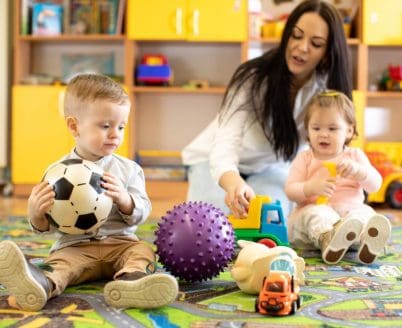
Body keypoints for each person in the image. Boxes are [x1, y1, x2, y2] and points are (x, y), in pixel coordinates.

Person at [0, 74, 178, 312]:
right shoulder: (56, 174)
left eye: (121, 126)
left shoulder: (129, 170)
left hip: (120, 243)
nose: (115, 134)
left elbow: (142, 211)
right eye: (105, 126)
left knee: (143, 252)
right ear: (74, 126)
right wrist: (36, 214)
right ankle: (41, 284)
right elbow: (47, 227)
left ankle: (132, 282)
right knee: (60, 265)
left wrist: (125, 200)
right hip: (75, 246)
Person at [182, 0, 352, 218]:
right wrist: (233, 182)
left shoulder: (327, 91)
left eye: (316, 43)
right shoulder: (253, 77)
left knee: (272, 220)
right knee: (210, 223)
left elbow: (332, 148)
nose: (301, 47)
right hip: (214, 162)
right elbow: (225, 143)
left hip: (271, 167)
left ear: (327, 53)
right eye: (296, 36)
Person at [285, 90, 392, 265]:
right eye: (316, 128)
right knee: (318, 214)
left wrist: (360, 172)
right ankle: (328, 239)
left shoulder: (355, 156)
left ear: (349, 131)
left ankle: (366, 240)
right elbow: (290, 191)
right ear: (308, 130)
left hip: (350, 211)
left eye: (332, 128)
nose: (323, 134)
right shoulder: (305, 158)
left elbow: (375, 185)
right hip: (315, 211)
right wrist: (310, 188)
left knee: (365, 214)